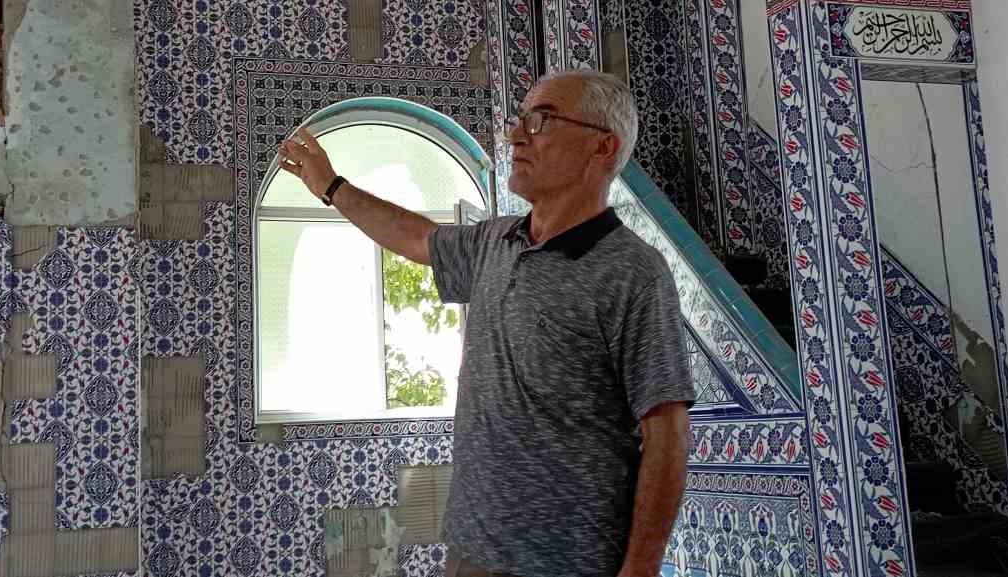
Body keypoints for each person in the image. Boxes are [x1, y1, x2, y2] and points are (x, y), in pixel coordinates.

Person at [277, 70, 695, 577]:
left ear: (602, 147)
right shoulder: (494, 242)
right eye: (519, 120)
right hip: (472, 549)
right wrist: (331, 186)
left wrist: (641, 567)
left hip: (567, 564)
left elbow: (667, 432)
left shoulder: (633, 272)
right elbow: (416, 237)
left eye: (541, 120)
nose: (516, 135)